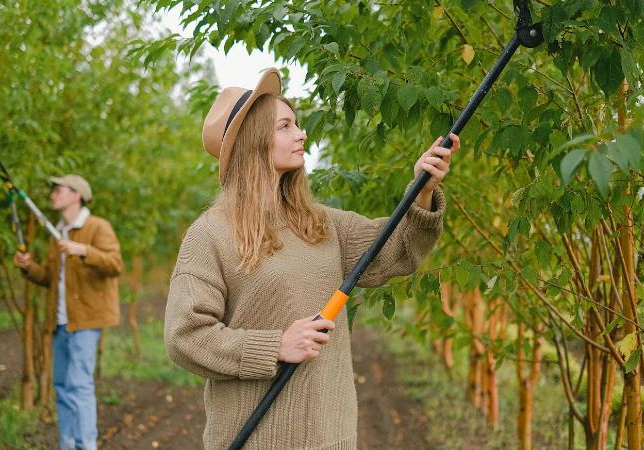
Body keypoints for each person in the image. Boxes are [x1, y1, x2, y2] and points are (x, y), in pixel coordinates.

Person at [164, 67, 459, 449]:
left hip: (331, 435)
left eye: (297, 124)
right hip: (256, 439)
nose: (302, 134)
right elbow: (184, 336)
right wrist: (275, 346)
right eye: (285, 126)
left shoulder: (319, 224)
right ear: (254, 141)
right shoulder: (211, 235)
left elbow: (395, 249)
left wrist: (422, 190)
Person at [13, 174, 122, 450]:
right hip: (60, 322)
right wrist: (28, 267)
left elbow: (114, 264)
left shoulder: (97, 227)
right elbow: (50, 278)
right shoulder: (58, 233)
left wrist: (83, 249)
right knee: (62, 387)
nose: (52, 194)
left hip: (85, 321)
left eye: (58, 190)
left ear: (76, 195)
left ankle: (87, 445)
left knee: (79, 385)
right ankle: (68, 443)